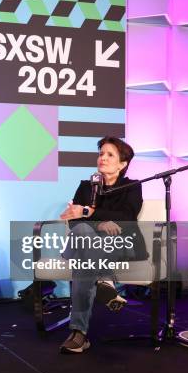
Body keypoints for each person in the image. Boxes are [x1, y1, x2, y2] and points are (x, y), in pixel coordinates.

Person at [58, 136, 145, 354]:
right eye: (101, 154)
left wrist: (92, 213)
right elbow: (75, 221)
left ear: (122, 164)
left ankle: (78, 334)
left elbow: (127, 217)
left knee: (83, 261)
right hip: (85, 242)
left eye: (110, 155)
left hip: (118, 246)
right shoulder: (86, 187)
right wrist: (101, 222)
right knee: (82, 231)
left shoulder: (132, 187)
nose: (102, 158)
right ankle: (105, 279)